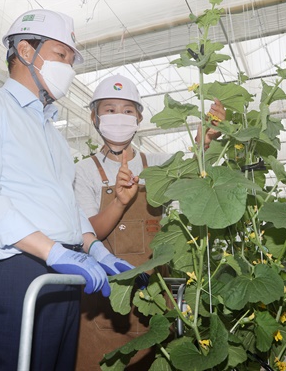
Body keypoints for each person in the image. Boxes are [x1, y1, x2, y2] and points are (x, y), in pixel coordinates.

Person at [0, 11, 133, 371]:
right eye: (62, 55)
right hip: (15, 270)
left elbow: (64, 205)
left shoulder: (54, 135)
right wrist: (52, 251)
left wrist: (94, 248)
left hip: (61, 271)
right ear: (26, 51)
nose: (69, 67)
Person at [73, 74, 224, 370]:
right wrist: (119, 201)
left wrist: (203, 139)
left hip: (152, 298)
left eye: (128, 110)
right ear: (94, 117)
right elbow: (87, 234)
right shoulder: (84, 171)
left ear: (139, 118)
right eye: (109, 109)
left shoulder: (155, 166)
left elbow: (192, 171)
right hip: (102, 301)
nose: (119, 117)